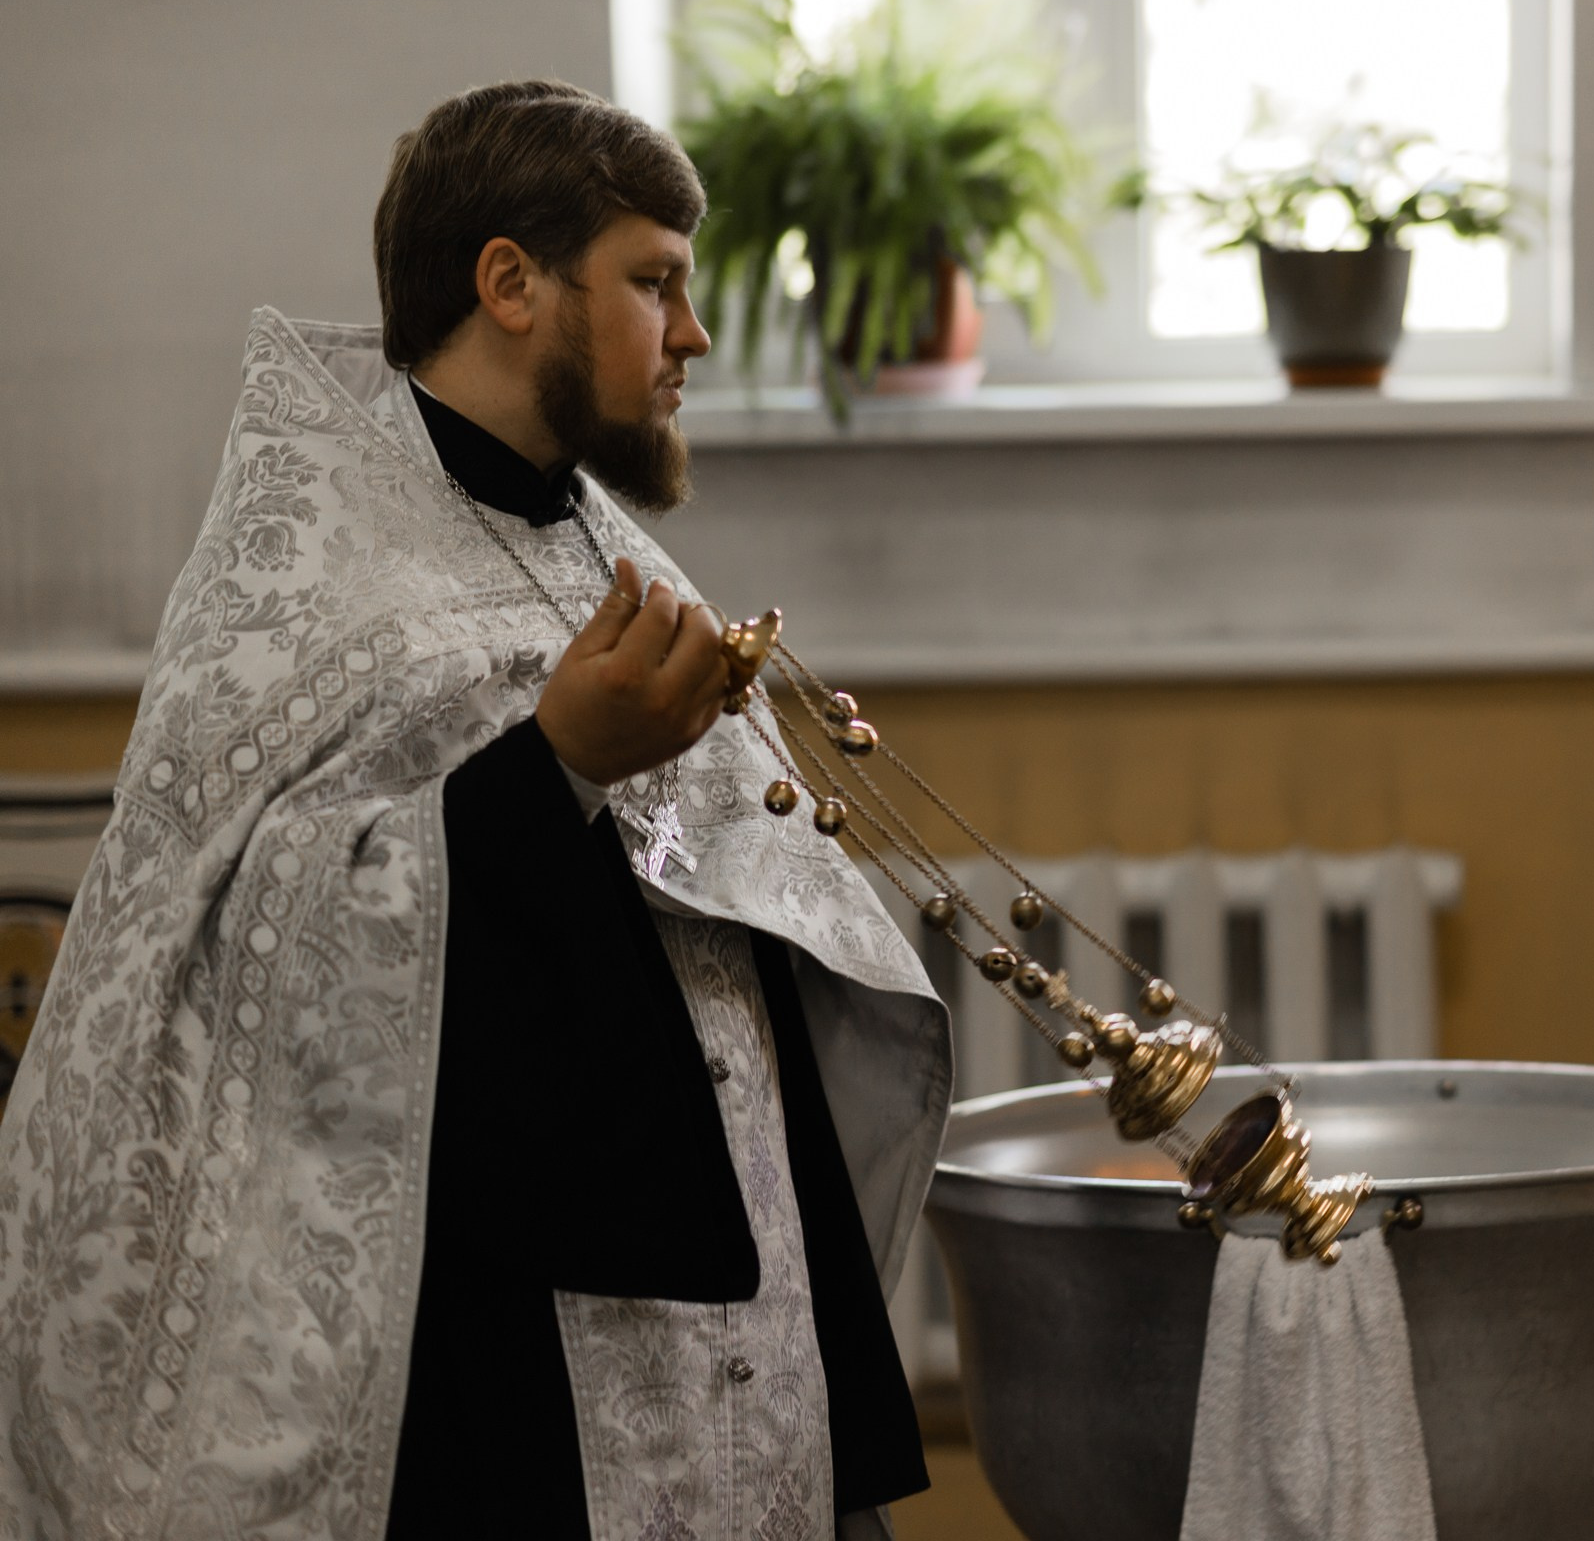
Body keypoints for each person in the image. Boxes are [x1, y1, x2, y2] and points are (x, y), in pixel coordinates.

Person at [0, 80, 951, 1540]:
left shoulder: (589, 538)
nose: (691, 335)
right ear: (509, 281)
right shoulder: (310, 573)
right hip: (489, 1332)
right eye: (653, 284)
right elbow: (238, 945)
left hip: (720, 1267)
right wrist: (553, 767)